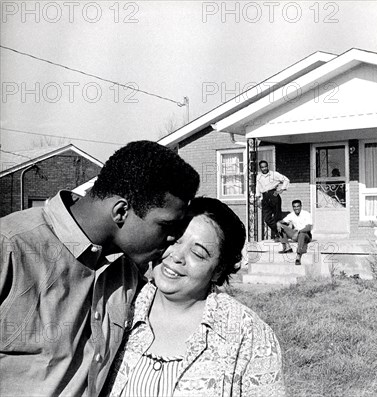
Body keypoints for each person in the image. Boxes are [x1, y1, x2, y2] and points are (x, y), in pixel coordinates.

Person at [0, 141, 199, 396]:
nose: (172, 238)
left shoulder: (130, 269)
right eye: (165, 226)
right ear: (121, 212)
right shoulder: (10, 248)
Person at [104, 197, 285, 396]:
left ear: (218, 270)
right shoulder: (117, 306)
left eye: (198, 254)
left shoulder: (249, 335)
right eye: (174, 239)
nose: (177, 256)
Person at [255, 160, 289, 240]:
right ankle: (280, 232)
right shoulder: (258, 177)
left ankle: (281, 236)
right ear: (260, 168)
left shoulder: (274, 174)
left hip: (273, 195)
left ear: (268, 166)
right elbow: (257, 188)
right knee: (267, 219)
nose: (264, 168)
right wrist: (258, 199)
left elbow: (286, 180)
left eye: (265, 166)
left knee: (277, 217)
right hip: (265, 197)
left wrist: (281, 190)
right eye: (262, 167)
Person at [277, 200, 312, 266]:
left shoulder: (306, 214)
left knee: (302, 234)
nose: (296, 208)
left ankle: (298, 256)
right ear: (293, 207)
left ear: (301, 206)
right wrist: (278, 223)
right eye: (294, 207)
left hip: (306, 235)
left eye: (298, 206)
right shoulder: (291, 215)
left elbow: (308, 228)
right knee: (280, 226)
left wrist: (299, 232)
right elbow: (283, 221)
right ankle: (287, 247)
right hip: (296, 234)